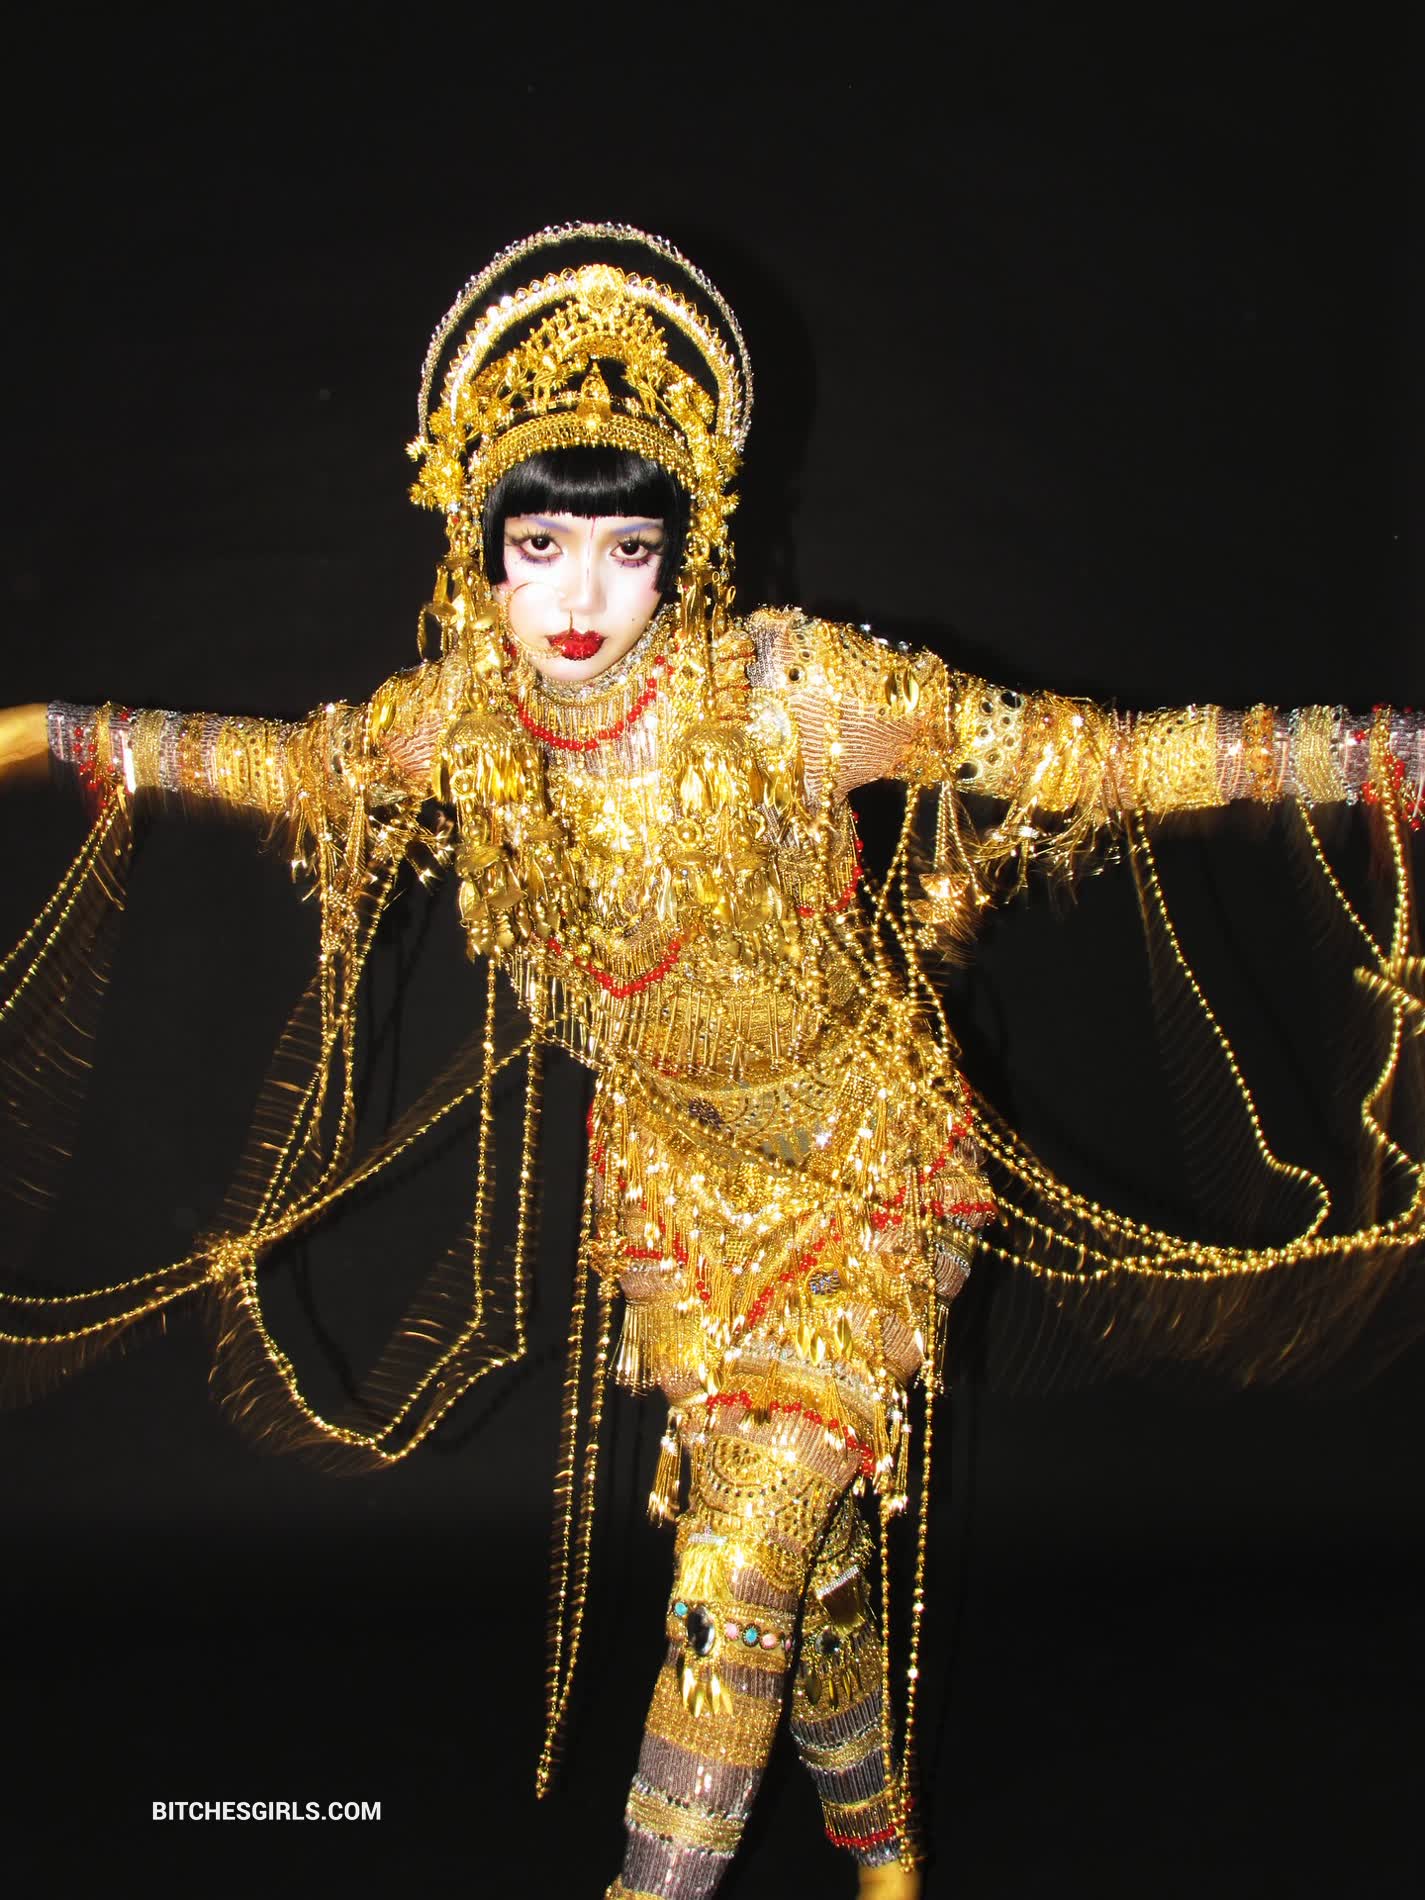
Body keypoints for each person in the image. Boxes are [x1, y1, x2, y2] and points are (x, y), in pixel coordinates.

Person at [2, 222, 1422, 1900]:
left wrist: (1365, 753)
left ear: (686, 553)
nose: (579, 600)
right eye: (538, 547)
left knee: (736, 1570)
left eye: (626, 550)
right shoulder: (463, 725)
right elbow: (297, 772)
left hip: (860, 1180)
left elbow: (1083, 758)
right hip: (680, 1194)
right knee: (798, 1558)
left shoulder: (787, 695)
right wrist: (60, 732)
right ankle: (877, 1840)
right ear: (478, 550)